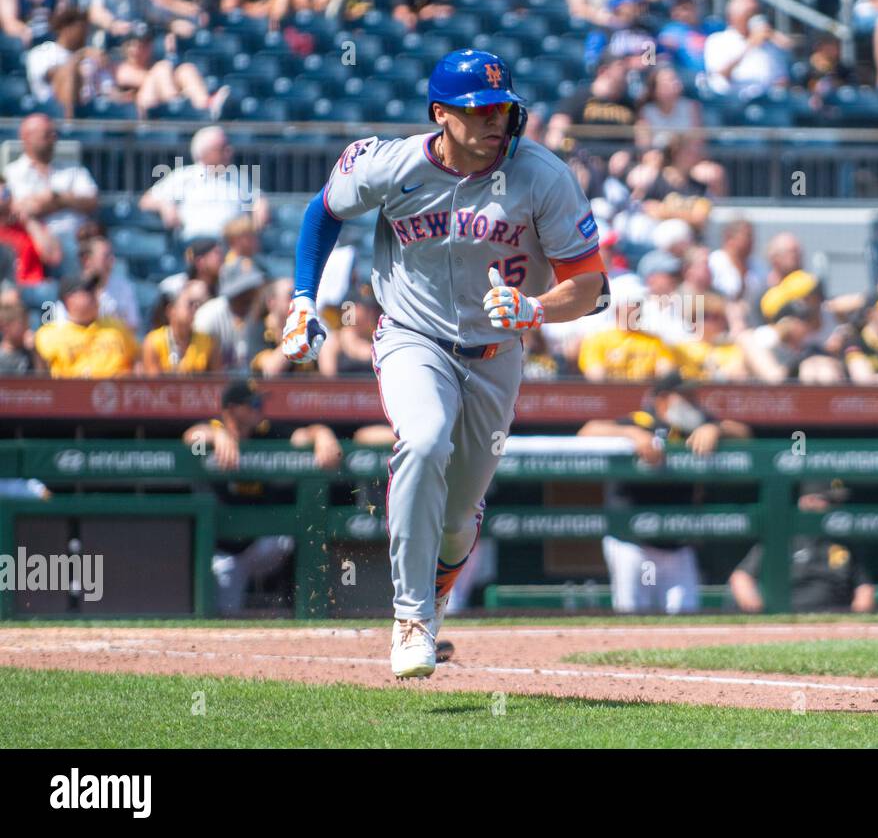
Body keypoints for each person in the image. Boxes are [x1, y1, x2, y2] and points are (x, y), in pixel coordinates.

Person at [278, 49, 607, 678]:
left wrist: (535, 310)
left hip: (496, 354)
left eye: (503, 109)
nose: (495, 121)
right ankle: (410, 616)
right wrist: (302, 298)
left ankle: (435, 593)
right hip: (411, 335)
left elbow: (592, 286)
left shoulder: (543, 175)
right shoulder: (393, 163)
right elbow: (323, 211)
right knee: (424, 439)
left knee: (458, 521)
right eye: (479, 111)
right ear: (440, 115)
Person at [579, 373, 751, 613]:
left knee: (685, 613)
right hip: (632, 539)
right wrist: (632, 434)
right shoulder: (641, 420)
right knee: (631, 616)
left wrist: (715, 429)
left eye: (694, 395)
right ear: (662, 398)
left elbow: (744, 432)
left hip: (678, 541)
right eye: (685, 395)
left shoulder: (698, 422)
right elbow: (587, 431)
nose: (693, 401)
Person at [182, 379, 339, 614]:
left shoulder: (266, 431)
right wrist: (218, 436)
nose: (259, 408)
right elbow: (191, 437)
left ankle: (299, 605)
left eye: (260, 402)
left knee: (298, 534)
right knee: (224, 615)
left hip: (262, 544)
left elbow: (303, 435)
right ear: (232, 409)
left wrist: (323, 434)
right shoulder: (212, 429)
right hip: (225, 550)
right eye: (253, 403)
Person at [3, 113, 99, 273]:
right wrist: (66, 201)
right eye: (46, 135)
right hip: (38, 242)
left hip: (78, 237)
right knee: (68, 251)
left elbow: (92, 201)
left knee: (102, 251)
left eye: (54, 134)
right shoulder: (11, 173)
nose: (53, 138)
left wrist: (57, 198)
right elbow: (19, 209)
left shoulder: (73, 169)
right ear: (26, 137)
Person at [139, 125, 269, 240]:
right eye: (222, 148)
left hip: (229, 245)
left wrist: (260, 206)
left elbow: (258, 200)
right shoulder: (184, 176)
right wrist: (165, 206)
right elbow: (146, 201)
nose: (229, 151)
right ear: (205, 152)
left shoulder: (238, 178)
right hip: (194, 244)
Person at [33, 272, 138, 378]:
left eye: (95, 289)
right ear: (69, 299)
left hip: (117, 390)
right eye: (88, 290)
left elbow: (139, 360)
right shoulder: (48, 335)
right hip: (71, 391)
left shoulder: (117, 327)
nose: (95, 294)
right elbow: (41, 379)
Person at [731, 536, 875, 613]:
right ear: (808, 501)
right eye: (825, 500)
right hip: (786, 616)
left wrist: (856, 620)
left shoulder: (843, 544)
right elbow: (741, 577)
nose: (831, 506)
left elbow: (864, 588)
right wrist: (758, 611)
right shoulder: (783, 539)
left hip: (833, 617)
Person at [704, 0, 792, 99]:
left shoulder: (768, 43)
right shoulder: (717, 40)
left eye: (756, 12)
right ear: (732, 17)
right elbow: (719, 75)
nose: (754, 17)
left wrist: (777, 40)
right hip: (731, 101)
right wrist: (750, 45)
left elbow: (781, 79)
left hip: (767, 102)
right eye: (749, 13)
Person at [578, 284, 675, 381]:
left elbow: (666, 371)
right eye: (633, 304)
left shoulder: (654, 341)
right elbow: (595, 375)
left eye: (639, 304)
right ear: (617, 307)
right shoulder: (596, 339)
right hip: (612, 394)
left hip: (644, 394)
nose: (638, 308)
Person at [195, 257, 266, 371]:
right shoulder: (209, 315)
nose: (250, 294)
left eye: (252, 289)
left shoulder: (261, 312)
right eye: (244, 290)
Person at [140, 279, 220, 374]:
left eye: (196, 304)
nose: (195, 309)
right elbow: (153, 385)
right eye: (190, 304)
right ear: (171, 310)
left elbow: (217, 382)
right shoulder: (153, 342)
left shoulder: (207, 342)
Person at [0, 173, 61, 285]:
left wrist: (29, 221)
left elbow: (54, 257)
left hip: (31, 286)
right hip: (5, 288)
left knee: (50, 291)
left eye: (6, 192)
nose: (4, 197)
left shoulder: (25, 224)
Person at [316, 286, 381, 377]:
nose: (372, 314)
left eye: (374, 309)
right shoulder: (333, 342)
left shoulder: (379, 338)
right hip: (344, 390)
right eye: (366, 309)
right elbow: (328, 382)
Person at [0, 300, 43, 374]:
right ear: (5, 327)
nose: (27, 328)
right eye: (22, 324)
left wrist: (35, 352)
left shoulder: (30, 352)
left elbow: (42, 378)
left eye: (27, 323)